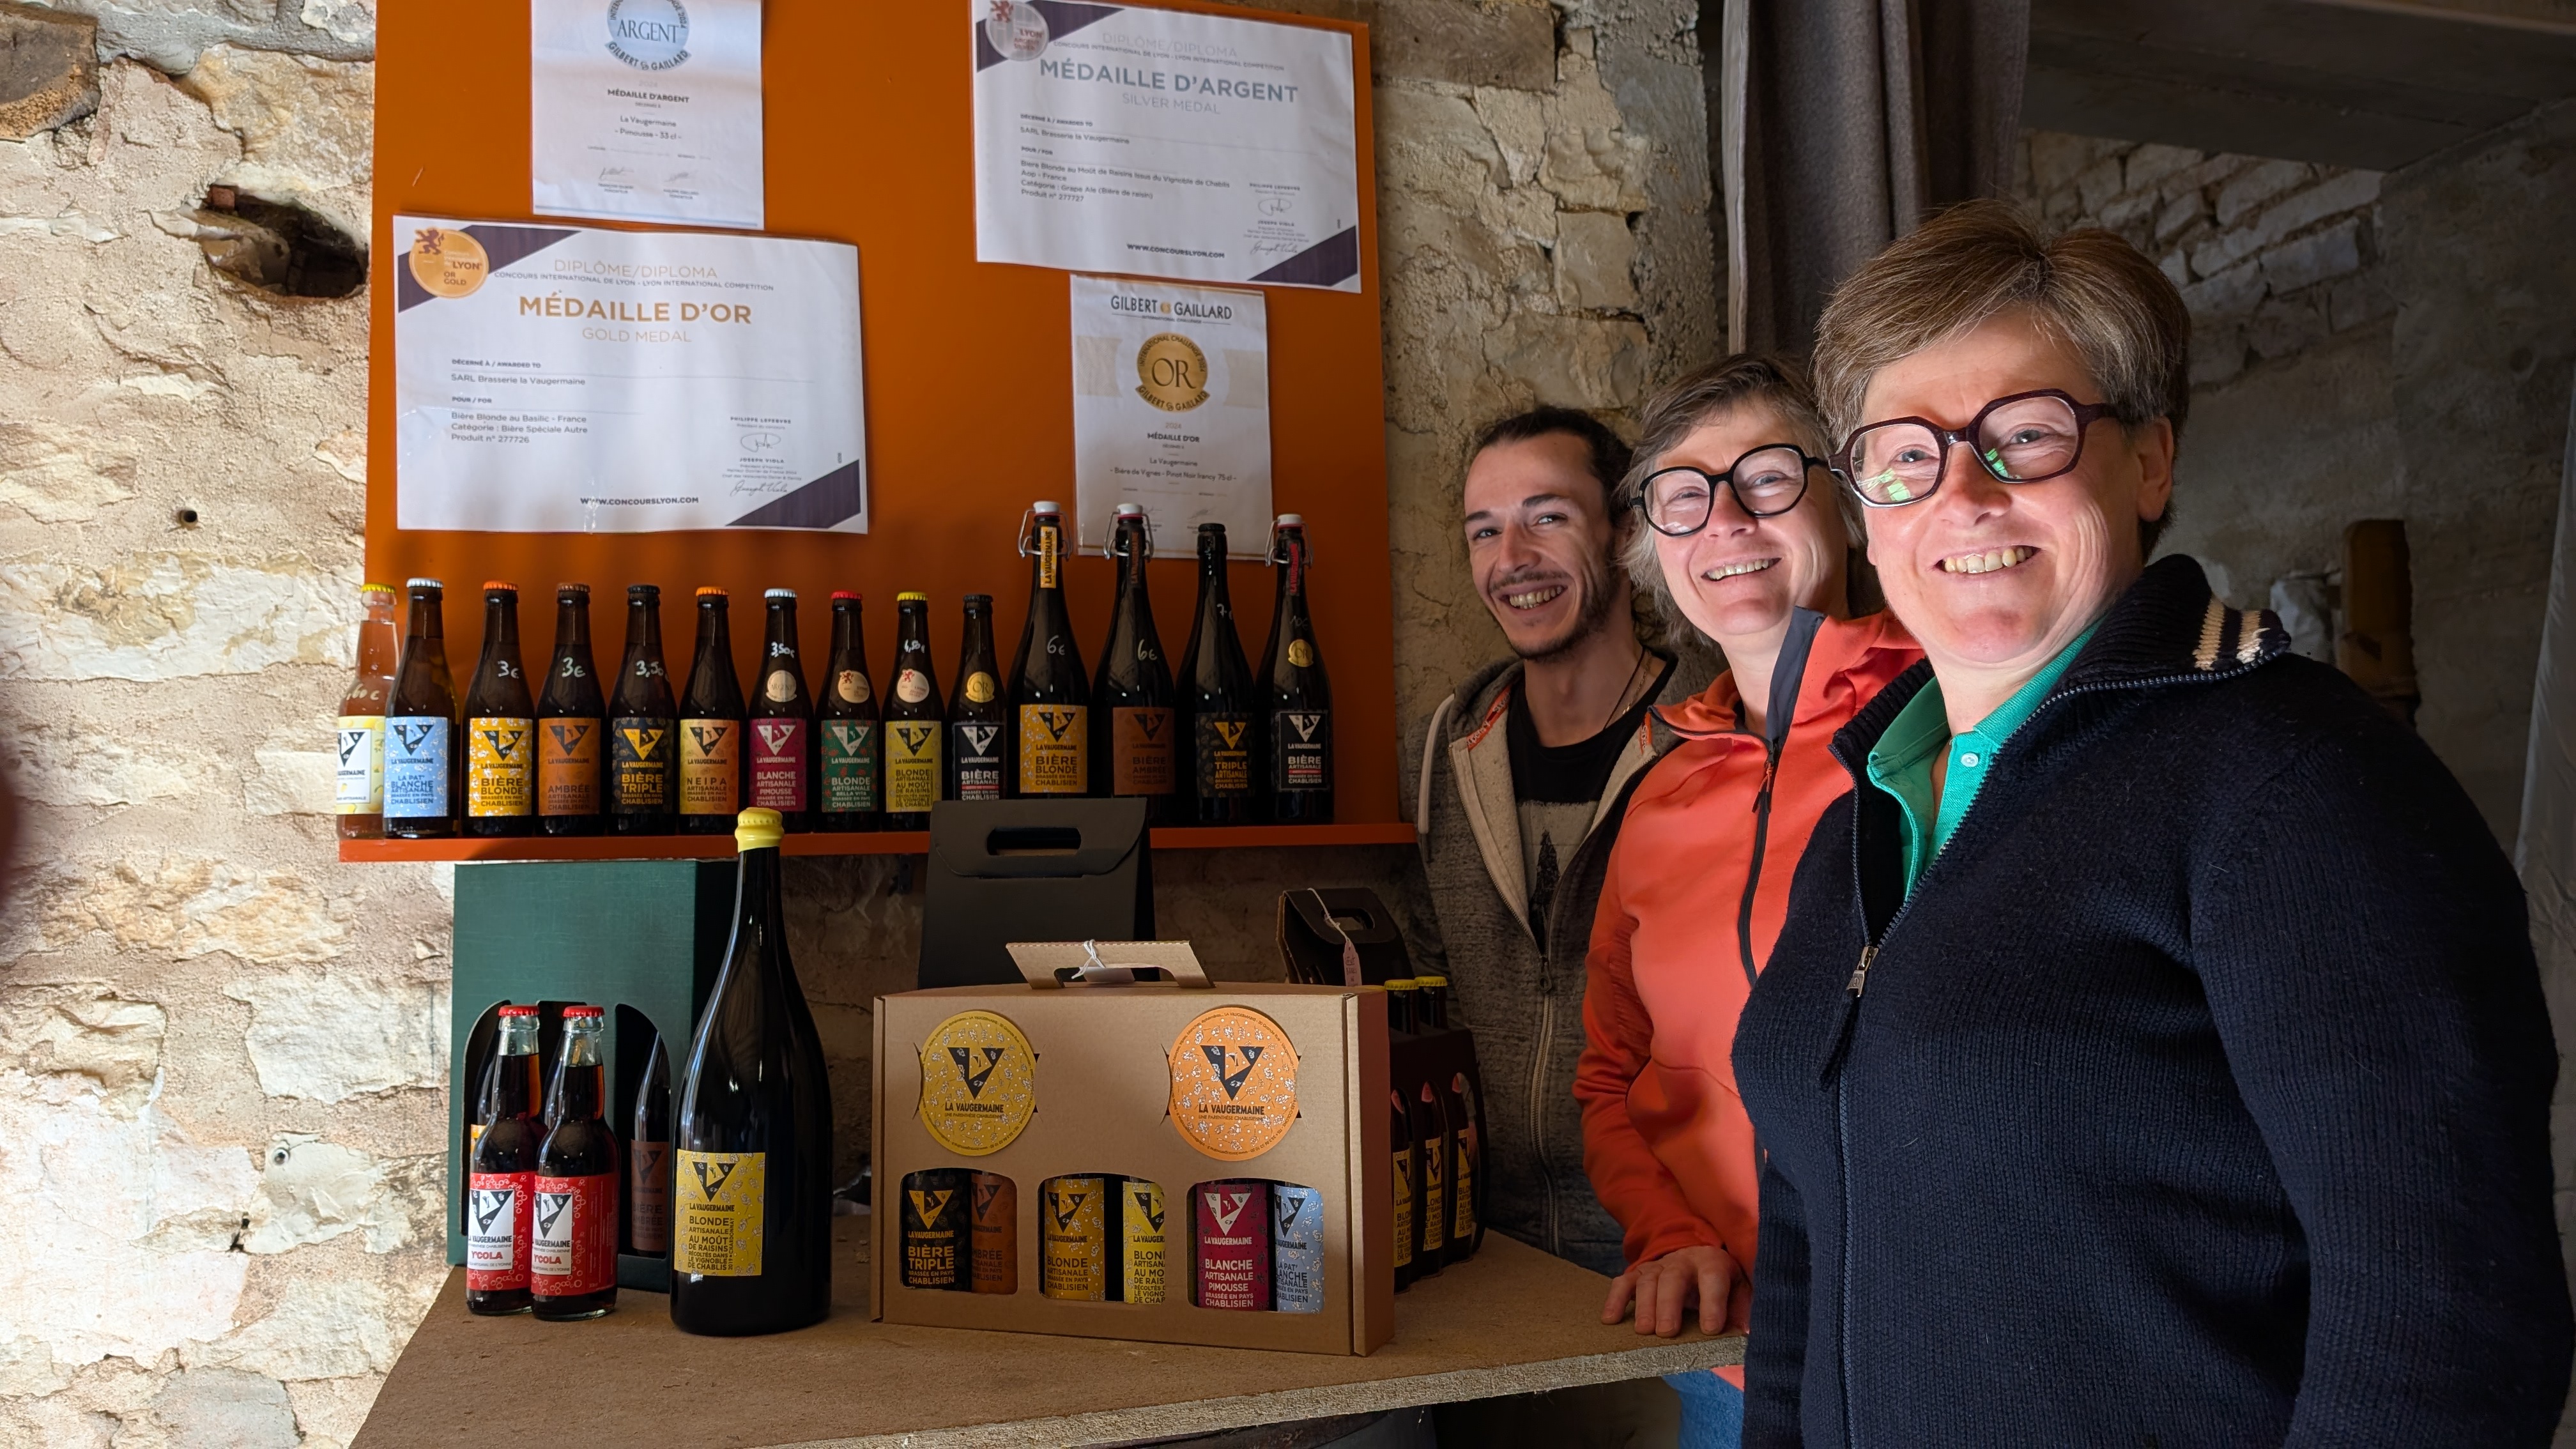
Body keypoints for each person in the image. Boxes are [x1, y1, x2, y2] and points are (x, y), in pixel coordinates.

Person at [1733, 199, 2573, 1445]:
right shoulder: (1858, 825)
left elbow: (2447, 1325)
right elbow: (1806, 1259)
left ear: (2150, 462)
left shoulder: (2298, 784)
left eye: (2026, 434)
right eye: (1905, 453)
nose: (1962, 493)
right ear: (1864, 503)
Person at [1571, 356, 1919, 1446]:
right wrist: (1666, 1232)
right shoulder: (1659, 791)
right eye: (1684, 495)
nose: (1725, 518)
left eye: (1767, 476)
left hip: (1927, 1353)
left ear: (1849, 499)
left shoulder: (1949, 714)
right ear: (1651, 548)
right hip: (1726, 1367)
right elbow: (1611, 1071)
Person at [1413, 406, 1708, 1276]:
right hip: (1479, 1252)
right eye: (1484, 532)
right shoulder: (1448, 745)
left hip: (1669, 1252)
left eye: (1547, 517)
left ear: (1625, 532)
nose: (1511, 562)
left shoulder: (1716, 739)